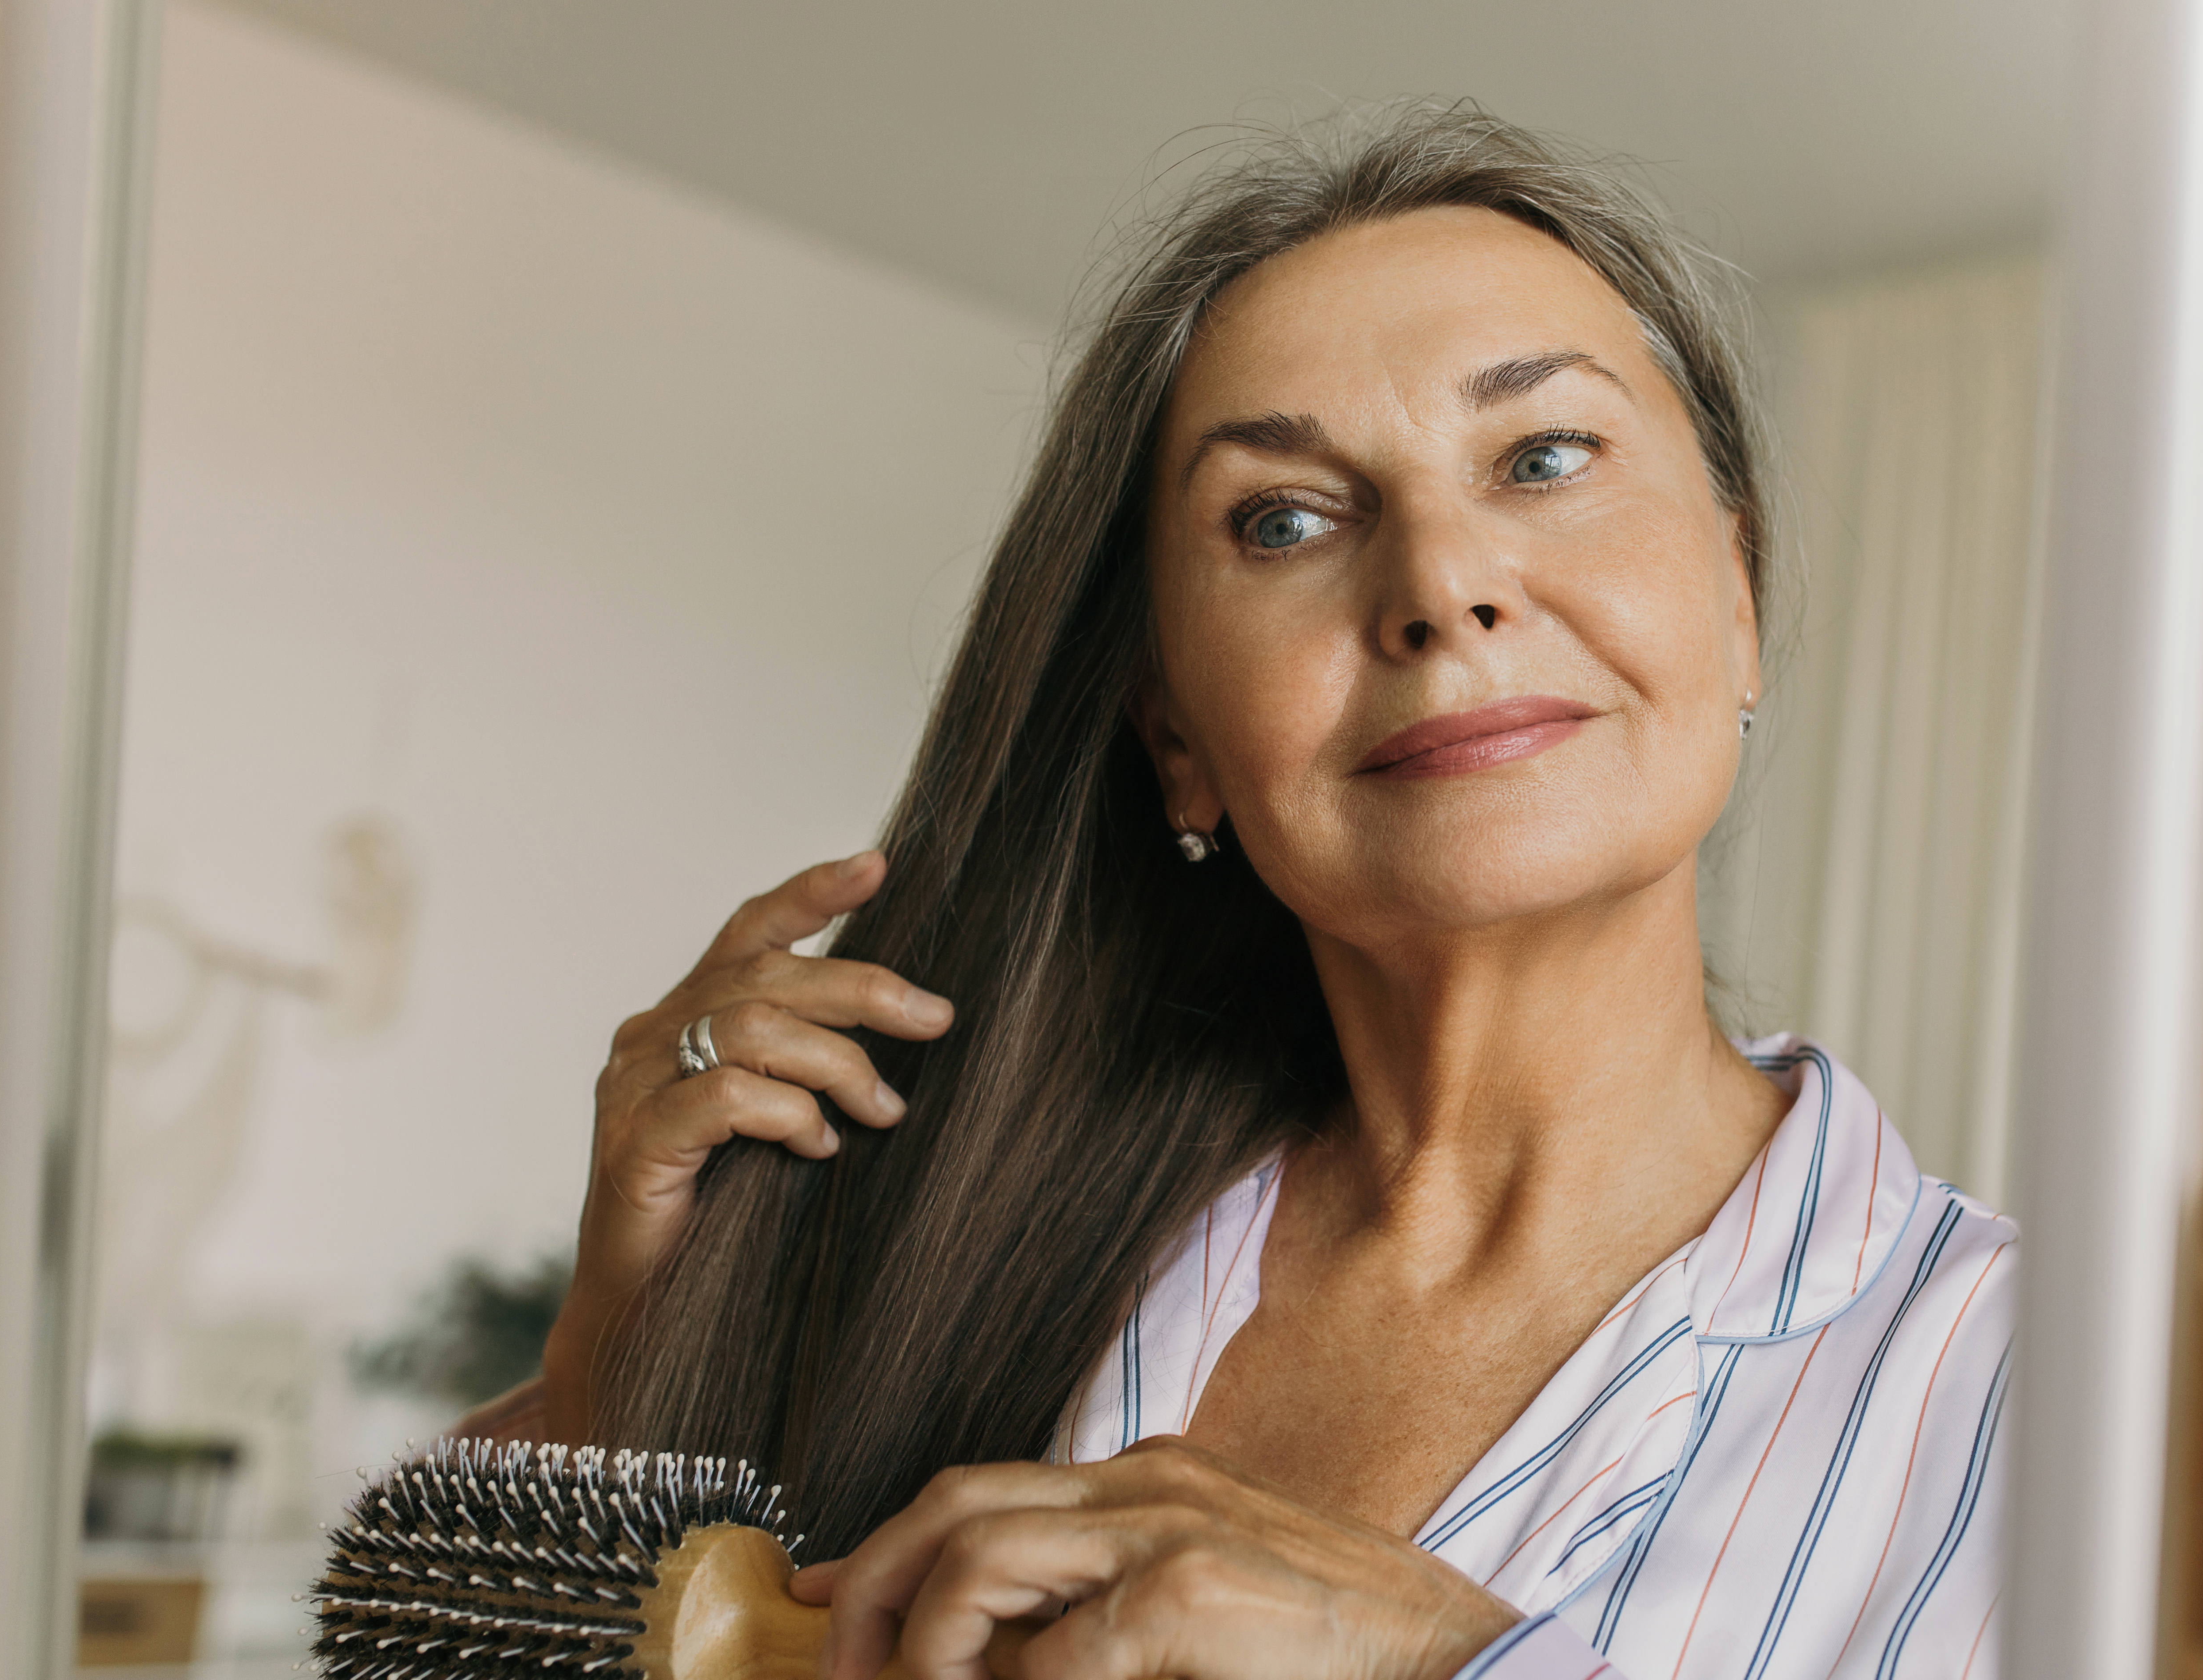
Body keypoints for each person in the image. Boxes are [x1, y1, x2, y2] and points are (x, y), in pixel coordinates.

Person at [491, 102, 2015, 1680]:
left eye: (1544, 456)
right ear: (1178, 741)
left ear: (1739, 598)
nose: (1440, 584)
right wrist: (625, 1336)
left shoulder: (2049, 1394)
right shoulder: (970, 1232)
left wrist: (1433, 1660)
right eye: (1285, 520)